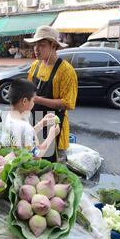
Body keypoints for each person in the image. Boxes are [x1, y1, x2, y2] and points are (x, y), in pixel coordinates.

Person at [25, 25, 78, 162]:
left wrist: (37, 99)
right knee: (35, 165)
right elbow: (29, 89)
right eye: (35, 45)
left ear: (53, 45)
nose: (36, 49)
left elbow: (68, 103)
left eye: (41, 45)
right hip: (35, 123)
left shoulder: (66, 70)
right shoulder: (36, 65)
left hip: (54, 127)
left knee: (52, 171)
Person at [4, 78, 60, 158]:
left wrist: (41, 124)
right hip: (25, 168)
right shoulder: (25, 126)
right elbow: (36, 155)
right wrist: (51, 135)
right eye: (33, 100)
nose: (33, 104)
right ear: (24, 101)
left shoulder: (10, 116)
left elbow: (24, 136)